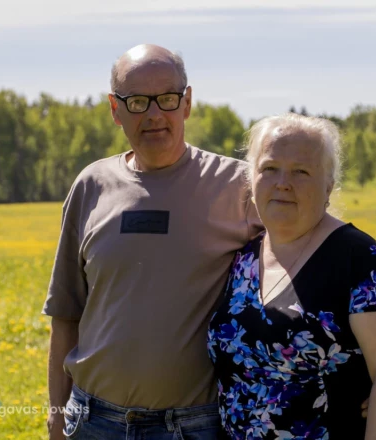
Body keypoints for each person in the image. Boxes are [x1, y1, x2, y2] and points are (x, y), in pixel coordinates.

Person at [42, 44, 262, 439]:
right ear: (115, 108)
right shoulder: (91, 185)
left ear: (187, 102)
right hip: (91, 421)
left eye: (167, 99)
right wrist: (57, 415)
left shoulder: (240, 188)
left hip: (194, 426)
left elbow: (308, 266)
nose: (154, 114)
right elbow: (66, 312)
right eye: (138, 101)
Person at [207, 113, 376, 440]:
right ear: (251, 179)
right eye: (270, 168)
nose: (283, 183)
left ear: (328, 186)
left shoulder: (360, 260)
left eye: (301, 172)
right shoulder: (242, 258)